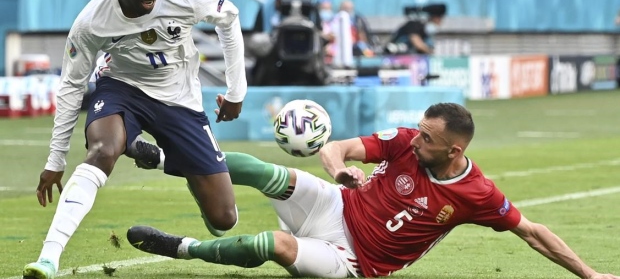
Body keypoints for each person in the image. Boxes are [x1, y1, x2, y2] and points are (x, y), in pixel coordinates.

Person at [126, 102, 619, 279]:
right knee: (261, 169)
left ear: (454, 150)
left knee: (271, 246)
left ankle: (182, 249)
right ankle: (166, 159)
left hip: (352, 258)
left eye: (429, 137)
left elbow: (531, 231)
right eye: (421, 129)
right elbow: (337, 148)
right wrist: (339, 170)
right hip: (338, 202)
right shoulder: (406, 141)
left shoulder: (477, 194)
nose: (416, 137)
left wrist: (589, 273)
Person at [22, 0, 247, 279]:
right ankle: (48, 259)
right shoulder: (92, 22)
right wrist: (55, 161)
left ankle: (162, 158)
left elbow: (229, 18)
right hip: (122, 89)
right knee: (102, 150)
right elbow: (71, 85)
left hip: (180, 99)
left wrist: (236, 91)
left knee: (224, 219)